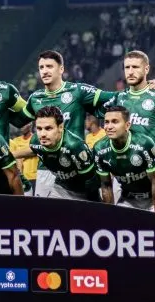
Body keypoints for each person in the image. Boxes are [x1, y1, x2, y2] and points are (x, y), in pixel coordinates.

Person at [22, 50, 116, 196]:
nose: (45, 71)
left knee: (77, 216)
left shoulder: (77, 91)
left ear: (61, 69)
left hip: (75, 167)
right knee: (44, 217)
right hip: (46, 170)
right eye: (41, 67)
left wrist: (144, 89)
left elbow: (115, 98)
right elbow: (19, 121)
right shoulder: (35, 98)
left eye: (49, 66)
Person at [99, 51, 155, 199]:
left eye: (135, 67)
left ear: (146, 69)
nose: (130, 71)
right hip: (125, 175)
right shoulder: (119, 98)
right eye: (127, 67)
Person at [12, 106, 98, 201]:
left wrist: (94, 206)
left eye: (48, 128)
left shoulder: (75, 146)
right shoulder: (35, 141)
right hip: (60, 188)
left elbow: (91, 182)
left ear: (60, 127)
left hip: (84, 192)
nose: (43, 134)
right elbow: (34, 150)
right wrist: (9, 155)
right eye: (39, 129)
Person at [93, 104, 155, 214]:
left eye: (115, 121)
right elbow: (106, 186)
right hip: (128, 200)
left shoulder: (144, 144)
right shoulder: (99, 149)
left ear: (127, 125)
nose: (109, 126)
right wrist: (109, 217)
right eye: (106, 122)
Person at [9, 123, 39, 196]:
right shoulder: (15, 141)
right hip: (22, 178)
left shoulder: (36, 139)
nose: (22, 127)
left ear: (30, 124)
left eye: (24, 124)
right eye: (21, 124)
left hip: (34, 177)